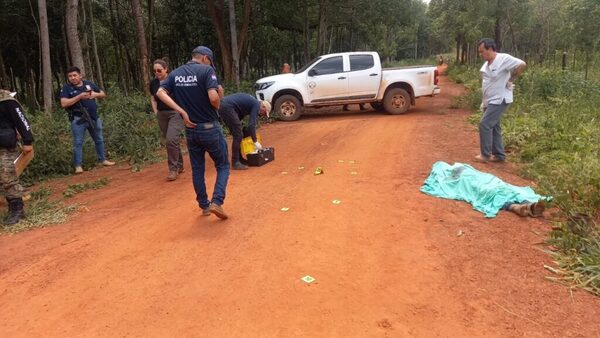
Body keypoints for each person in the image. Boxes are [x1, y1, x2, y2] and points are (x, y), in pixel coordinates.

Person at [156, 46, 230, 220]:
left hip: (191, 130)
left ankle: (204, 205)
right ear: (205, 58)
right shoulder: (207, 71)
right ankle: (217, 202)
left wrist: (181, 111)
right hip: (209, 128)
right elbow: (213, 98)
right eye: (210, 61)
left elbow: (159, 92)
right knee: (223, 165)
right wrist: (219, 104)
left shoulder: (176, 73)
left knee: (197, 169)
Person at [421, 161, 547, 218]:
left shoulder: (460, 171)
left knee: (496, 189)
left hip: (481, 180)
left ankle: (522, 206)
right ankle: (523, 205)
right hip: (479, 181)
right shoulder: (461, 173)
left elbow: (451, 183)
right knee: (497, 189)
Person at [476, 38, 526, 163]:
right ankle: (499, 155)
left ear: (491, 49)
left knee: (485, 124)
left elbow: (522, 64)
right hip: (490, 99)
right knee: (494, 126)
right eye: (480, 52)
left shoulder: (503, 59)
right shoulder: (487, 63)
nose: (481, 54)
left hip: (500, 98)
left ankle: (485, 155)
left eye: (482, 52)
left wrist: (511, 80)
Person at [60, 67, 115, 174]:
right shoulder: (67, 88)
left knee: (99, 139)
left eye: (75, 75)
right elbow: (64, 103)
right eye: (70, 76)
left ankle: (102, 159)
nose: (73, 78)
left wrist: (96, 94)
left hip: (93, 117)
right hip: (78, 119)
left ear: (80, 75)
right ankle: (78, 166)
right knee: (78, 142)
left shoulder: (89, 84)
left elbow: (103, 94)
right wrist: (79, 96)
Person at [0, 90, 34, 225]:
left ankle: (17, 209)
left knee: (7, 176)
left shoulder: (5, 99)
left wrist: (27, 141)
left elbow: (21, 119)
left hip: (4, 144)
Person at [150, 59, 185, 181]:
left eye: (159, 70)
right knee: (171, 140)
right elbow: (153, 98)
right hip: (162, 114)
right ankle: (180, 165)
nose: (157, 73)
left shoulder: (174, 81)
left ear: (166, 69)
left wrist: (182, 111)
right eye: (154, 71)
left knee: (171, 140)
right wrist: (156, 112)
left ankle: (173, 170)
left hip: (175, 113)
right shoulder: (154, 83)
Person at [218, 93, 271, 170]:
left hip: (225, 106)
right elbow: (252, 125)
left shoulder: (253, 103)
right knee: (238, 135)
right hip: (227, 107)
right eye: (264, 112)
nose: (263, 115)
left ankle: (239, 159)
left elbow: (240, 113)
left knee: (239, 133)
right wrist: (255, 141)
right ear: (263, 106)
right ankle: (235, 162)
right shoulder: (256, 105)